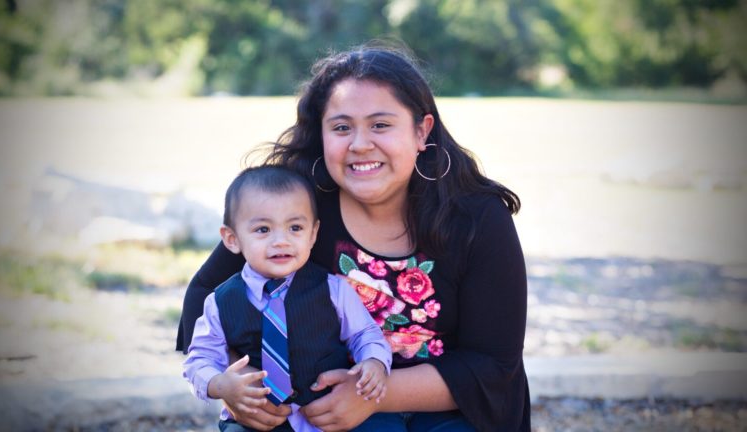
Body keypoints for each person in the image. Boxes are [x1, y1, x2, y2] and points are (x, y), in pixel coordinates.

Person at [178, 41, 530, 431]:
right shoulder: (296, 208)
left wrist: (371, 396)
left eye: (381, 124)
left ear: (421, 130)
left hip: (451, 411)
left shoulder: (477, 217)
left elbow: (494, 365)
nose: (360, 144)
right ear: (322, 134)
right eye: (342, 127)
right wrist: (240, 388)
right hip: (322, 417)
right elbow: (205, 295)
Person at [183, 165, 392, 432]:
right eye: (262, 230)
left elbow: (365, 334)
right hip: (254, 420)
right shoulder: (220, 302)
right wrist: (221, 385)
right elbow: (199, 359)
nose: (281, 241)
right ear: (232, 239)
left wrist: (374, 361)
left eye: (295, 227)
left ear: (313, 234)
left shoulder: (333, 290)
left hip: (326, 416)